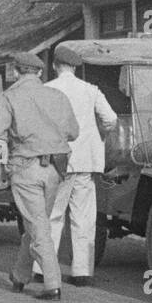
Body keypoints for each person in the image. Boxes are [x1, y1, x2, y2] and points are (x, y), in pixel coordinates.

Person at [0, 52, 79, 301]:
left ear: (16, 72)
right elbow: (73, 132)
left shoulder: (9, 97)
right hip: (55, 170)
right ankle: (20, 275)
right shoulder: (58, 96)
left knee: (38, 225)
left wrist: (4, 165)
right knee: (37, 222)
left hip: (25, 167)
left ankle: (53, 284)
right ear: (40, 72)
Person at [36, 47, 117, 287]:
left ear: (54, 65)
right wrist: (98, 135)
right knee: (83, 217)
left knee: (52, 215)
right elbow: (111, 119)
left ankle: (43, 269)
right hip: (85, 162)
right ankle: (82, 272)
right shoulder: (90, 90)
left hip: (57, 161)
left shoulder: (47, 89)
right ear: (75, 67)